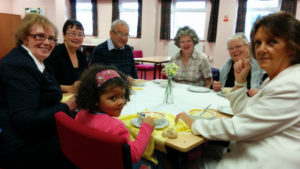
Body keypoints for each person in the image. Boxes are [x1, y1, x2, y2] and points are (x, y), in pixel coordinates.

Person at [176, 11, 300, 169]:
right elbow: (246, 112)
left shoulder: (291, 84)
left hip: (261, 159)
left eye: (272, 42)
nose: (261, 49)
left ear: (292, 46)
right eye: (258, 42)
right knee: (209, 150)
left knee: (183, 164)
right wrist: (240, 82)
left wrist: (194, 124)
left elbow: (237, 127)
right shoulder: (276, 78)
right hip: (251, 148)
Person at [0, 14, 77, 168]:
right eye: (40, 36)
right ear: (24, 38)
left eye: (51, 38)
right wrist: (68, 107)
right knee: (83, 145)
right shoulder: (20, 66)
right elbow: (26, 121)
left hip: (34, 134)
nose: (47, 43)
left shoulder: (35, 62)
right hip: (20, 146)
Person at [75, 65, 155, 168]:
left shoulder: (81, 114)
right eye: (113, 98)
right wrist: (147, 127)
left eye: (122, 96)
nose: (121, 101)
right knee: (157, 160)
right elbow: (134, 156)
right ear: (95, 99)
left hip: (92, 161)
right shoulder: (116, 127)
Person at [45, 19, 88, 93]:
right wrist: (69, 88)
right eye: (73, 34)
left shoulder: (81, 55)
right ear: (64, 35)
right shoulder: (54, 53)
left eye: (80, 34)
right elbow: (46, 83)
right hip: (58, 96)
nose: (77, 37)